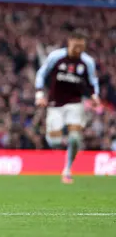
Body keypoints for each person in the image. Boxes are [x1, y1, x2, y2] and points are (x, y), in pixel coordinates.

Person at [34, 30, 99, 184]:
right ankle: (62, 143)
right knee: (54, 142)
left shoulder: (87, 61)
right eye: (76, 46)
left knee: (75, 138)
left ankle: (67, 170)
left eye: (81, 47)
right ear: (69, 42)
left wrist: (95, 96)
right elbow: (41, 74)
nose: (78, 50)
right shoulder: (56, 57)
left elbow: (92, 81)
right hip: (55, 104)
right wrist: (39, 95)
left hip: (75, 103)